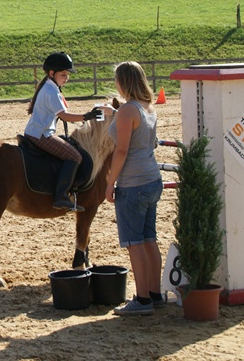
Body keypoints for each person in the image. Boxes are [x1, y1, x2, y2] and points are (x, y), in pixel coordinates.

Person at [104, 61, 164, 316]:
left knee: (134, 242)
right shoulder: (148, 107)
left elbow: (121, 150)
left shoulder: (128, 110)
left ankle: (142, 299)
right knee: (149, 239)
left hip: (133, 182)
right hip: (152, 178)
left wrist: (111, 182)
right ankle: (154, 293)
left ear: (123, 82)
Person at [24, 52, 102, 212]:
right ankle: (61, 196)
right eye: (63, 75)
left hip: (37, 132)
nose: (67, 78)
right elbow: (65, 116)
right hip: (42, 135)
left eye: (67, 75)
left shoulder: (49, 86)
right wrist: (87, 116)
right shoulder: (51, 91)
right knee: (75, 156)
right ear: (52, 73)